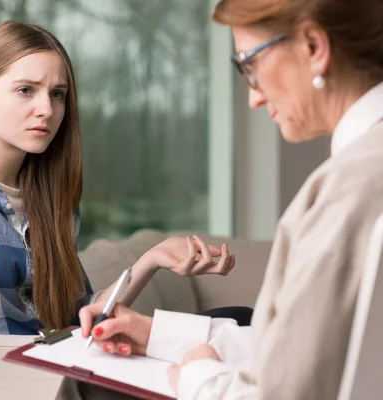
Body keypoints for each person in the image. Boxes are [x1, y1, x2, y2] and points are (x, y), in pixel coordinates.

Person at [58, 0, 383, 398]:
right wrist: (157, 336)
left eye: (249, 65)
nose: (254, 99)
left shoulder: (348, 191)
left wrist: (199, 378)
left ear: (314, 47)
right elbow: (304, 355)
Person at [0, 21, 236, 349]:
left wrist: (151, 259)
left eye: (57, 94)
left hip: (52, 375)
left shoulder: (52, 195)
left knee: (230, 319)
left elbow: (80, 318)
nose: (47, 108)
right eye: (26, 90)